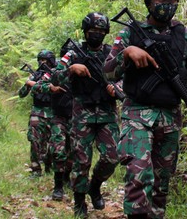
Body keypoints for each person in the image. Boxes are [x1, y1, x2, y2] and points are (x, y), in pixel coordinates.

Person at [103, 0, 187, 219]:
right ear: (149, 0)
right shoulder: (130, 33)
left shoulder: (185, 36)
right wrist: (127, 52)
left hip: (171, 118)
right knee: (139, 175)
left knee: (161, 185)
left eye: (173, 1)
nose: (167, 6)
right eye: (161, 0)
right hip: (137, 114)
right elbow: (107, 72)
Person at [48, 12, 121, 218]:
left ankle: (95, 186)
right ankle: (79, 202)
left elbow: (126, 76)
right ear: (85, 31)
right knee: (81, 161)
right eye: (92, 31)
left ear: (105, 33)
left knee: (112, 157)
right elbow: (55, 77)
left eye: (100, 31)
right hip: (82, 114)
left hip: (107, 113)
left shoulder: (112, 53)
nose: (96, 34)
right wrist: (71, 68)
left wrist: (117, 87)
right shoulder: (73, 53)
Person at [32, 41, 75, 201]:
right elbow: (37, 86)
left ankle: (66, 178)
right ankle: (57, 186)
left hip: (76, 116)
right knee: (58, 151)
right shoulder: (55, 71)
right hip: (58, 116)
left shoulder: (84, 70)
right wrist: (51, 88)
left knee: (73, 151)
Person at [18, 49, 56, 178]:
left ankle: (49, 165)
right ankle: (36, 169)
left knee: (54, 144)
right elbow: (21, 94)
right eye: (40, 60)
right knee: (34, 140)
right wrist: (28, 84)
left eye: (44, 60)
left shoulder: (57, 73)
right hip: (38, 111)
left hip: (54, 112)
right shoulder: (35, 75)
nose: (42, 63)